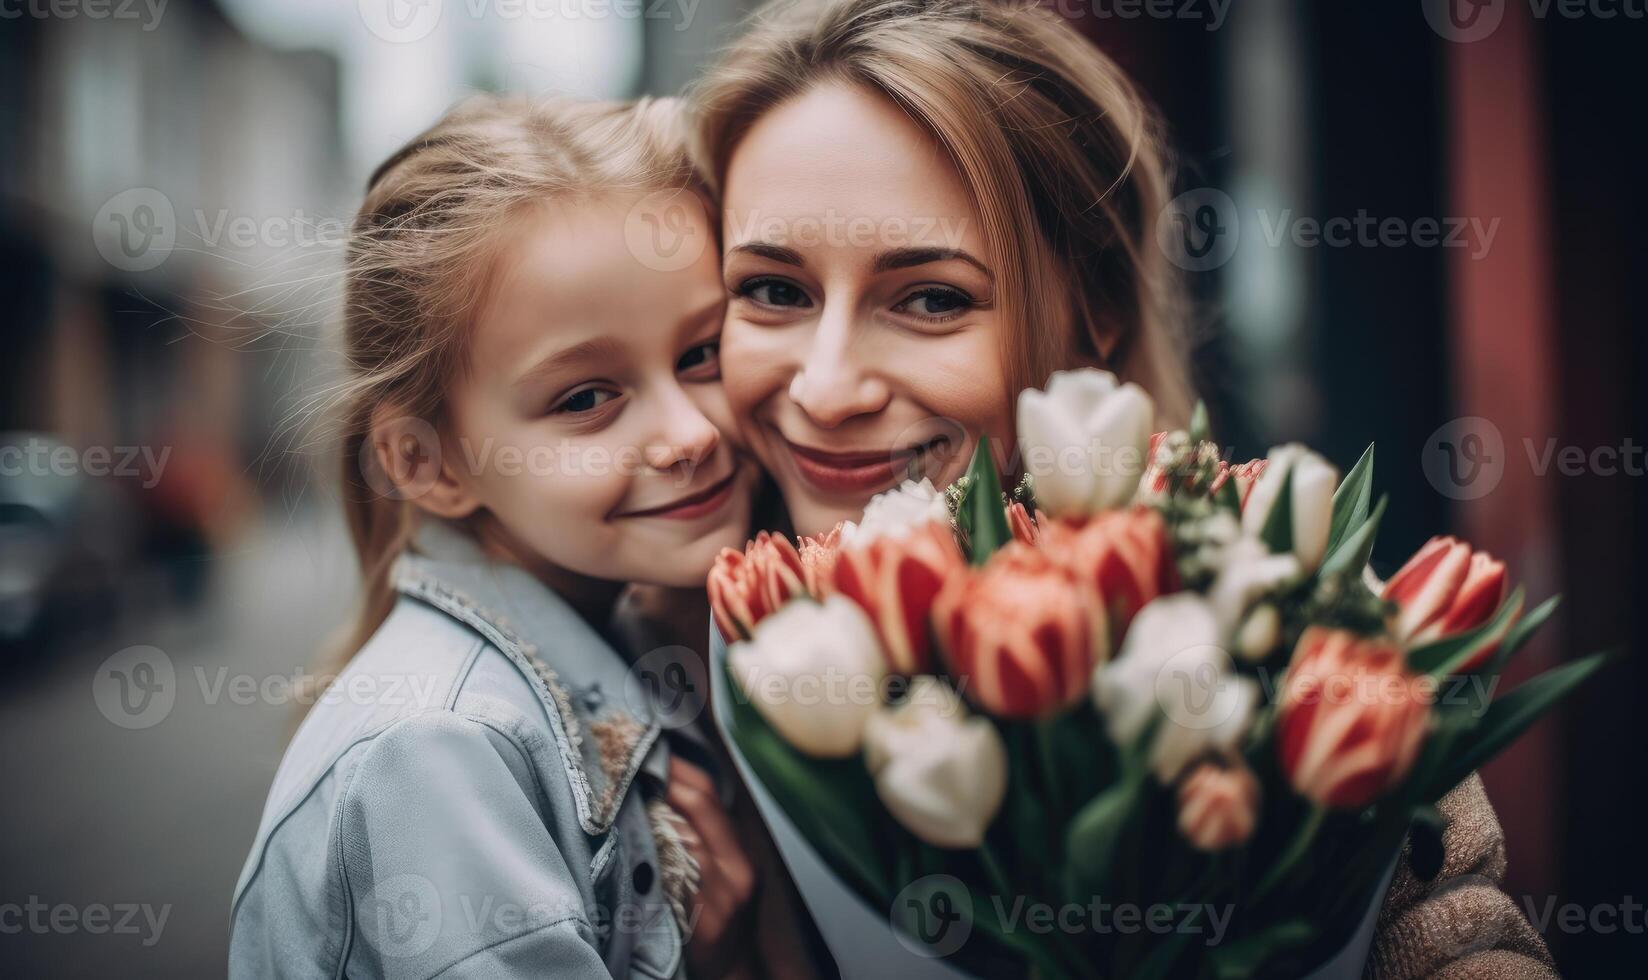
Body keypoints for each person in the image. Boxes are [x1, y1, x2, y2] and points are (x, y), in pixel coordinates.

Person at [691, 1, 1558, 975]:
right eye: (773, 289)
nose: (827, 386)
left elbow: (1459, 928)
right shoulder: (658, 650)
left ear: (1094, 308)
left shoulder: (1283, 624)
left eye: (931, 298)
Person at [230, 95, 779, 979]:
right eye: (585, 397)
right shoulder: (440, 751)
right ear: (427, 462)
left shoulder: (642, 627)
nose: (690, 433)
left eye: (702, 353)